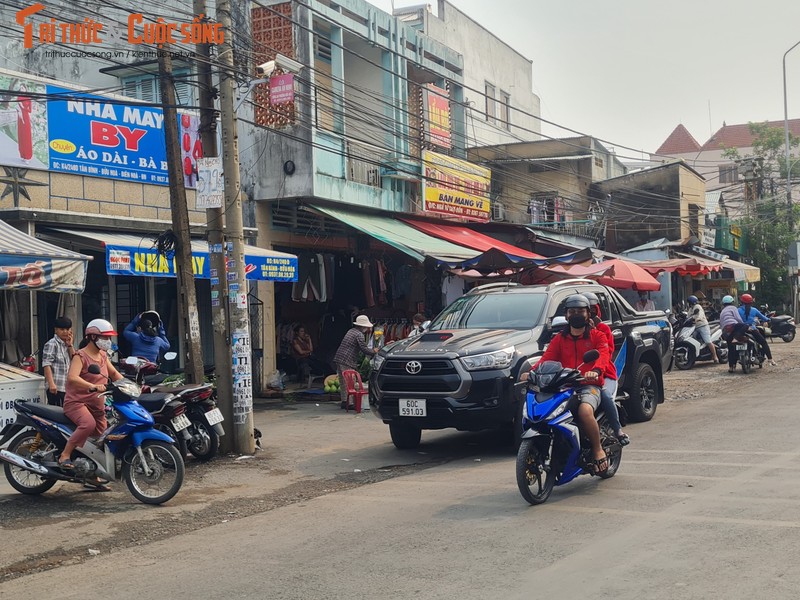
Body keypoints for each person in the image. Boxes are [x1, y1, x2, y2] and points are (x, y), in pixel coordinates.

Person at [535, 294, 612, 474]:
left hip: (589, 385)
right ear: (566, 315)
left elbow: (603, 355)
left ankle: (597, 449)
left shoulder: (597, 336)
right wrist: (531, 372)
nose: (576, 314)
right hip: (564, 386)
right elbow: (547, 359)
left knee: (584, 411)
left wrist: (597, 371)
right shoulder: (559, 339)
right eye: (572, 311)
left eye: (580, 311)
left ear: (588, 314)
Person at [58, 319, 124, 490]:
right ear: (93, 336)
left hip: (97, 403)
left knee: (102, 438)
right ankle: (64, 455)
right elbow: (72, 377)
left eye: (109, 338)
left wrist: (129, 386)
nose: (108, 341)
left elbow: (114, 373)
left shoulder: (102, 355)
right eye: (105, 337)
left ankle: (92, 475)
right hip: (77, 402)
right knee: (88, 424)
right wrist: (92, 386)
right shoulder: (81, 356)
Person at [583, 292, 630, 446]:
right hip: (579, 376)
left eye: (591, 310)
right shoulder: (569, 332)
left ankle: (617, 430)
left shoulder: (602, 329)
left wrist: (592, 332)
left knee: (605, 397)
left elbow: (606, 353)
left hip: (604, 374)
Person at [333, 315, 378, 409]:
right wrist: (374, 351)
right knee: (350, 381)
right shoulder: (359, 334)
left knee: (343, 381)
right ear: (363, 326)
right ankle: (350, 403)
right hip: (347, 359)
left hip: (340, 357)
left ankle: (345, 401)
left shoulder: (351, 331)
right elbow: (364, 349)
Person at [41, 316, 75, 407]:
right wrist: (51, 384)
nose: (65, 332)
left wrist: (70, 345)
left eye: (67, 329)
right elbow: (46, 364)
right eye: (62, 329)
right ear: (56, 330)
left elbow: (74, 360)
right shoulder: (52, 344)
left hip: (66, 387)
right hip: (56, 387)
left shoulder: (66, 344)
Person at [738, 293, 777, 366]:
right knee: (763, 342)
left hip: (741, 330)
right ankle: (770, 359)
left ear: (741, 302)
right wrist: (769, 320)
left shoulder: (738, 310)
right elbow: (764, 318)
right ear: (751, 302)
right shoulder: (754, 310)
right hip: (752, 329)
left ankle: (732, 365)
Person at [719, 295, 751, 373]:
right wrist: (743, 325)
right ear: (732, 302)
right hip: (733, 326)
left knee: (731, 349)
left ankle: (731, 367)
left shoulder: (723, 310)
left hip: (726, 330)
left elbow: (721, 322)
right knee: (746, 326)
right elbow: (738, 318)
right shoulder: (733, 308)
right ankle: (736, 338)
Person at [687, 295, 720, 364]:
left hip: (702, 325)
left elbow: (700, 315)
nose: (688, 303)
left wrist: (697, 319)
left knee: (708, 341)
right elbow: (688, 316)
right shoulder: (691, 308)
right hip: (694, 327)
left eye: (689, 302)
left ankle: (715, 356)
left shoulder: (697, 307)